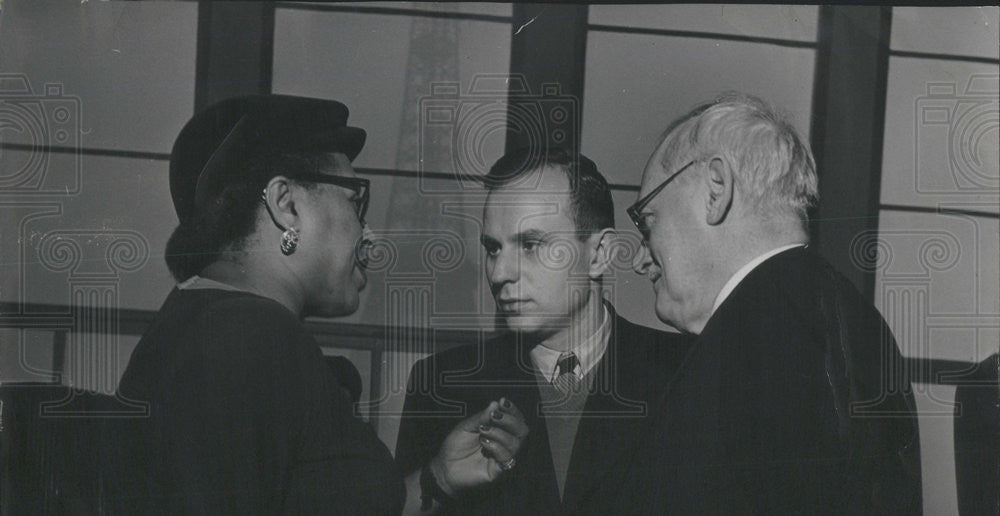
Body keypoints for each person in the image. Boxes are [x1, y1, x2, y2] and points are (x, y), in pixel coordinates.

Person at [115, 95, 527, 513]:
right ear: (285, 204)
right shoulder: (253, 338)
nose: (369, 235)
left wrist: (437, 478)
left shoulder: (210, 323)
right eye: (354, 201)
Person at [619, 93, 923, 512]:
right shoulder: (840, 312)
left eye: (647, 221)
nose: (640, 258)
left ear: (715, 190)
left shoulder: (762, 331)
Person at [394, 147, 693, 513]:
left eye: (531, 245)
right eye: (492, 248)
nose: (501, 273)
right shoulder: (441, 383)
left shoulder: (687, 372)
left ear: (599, 253)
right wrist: (438, 480)